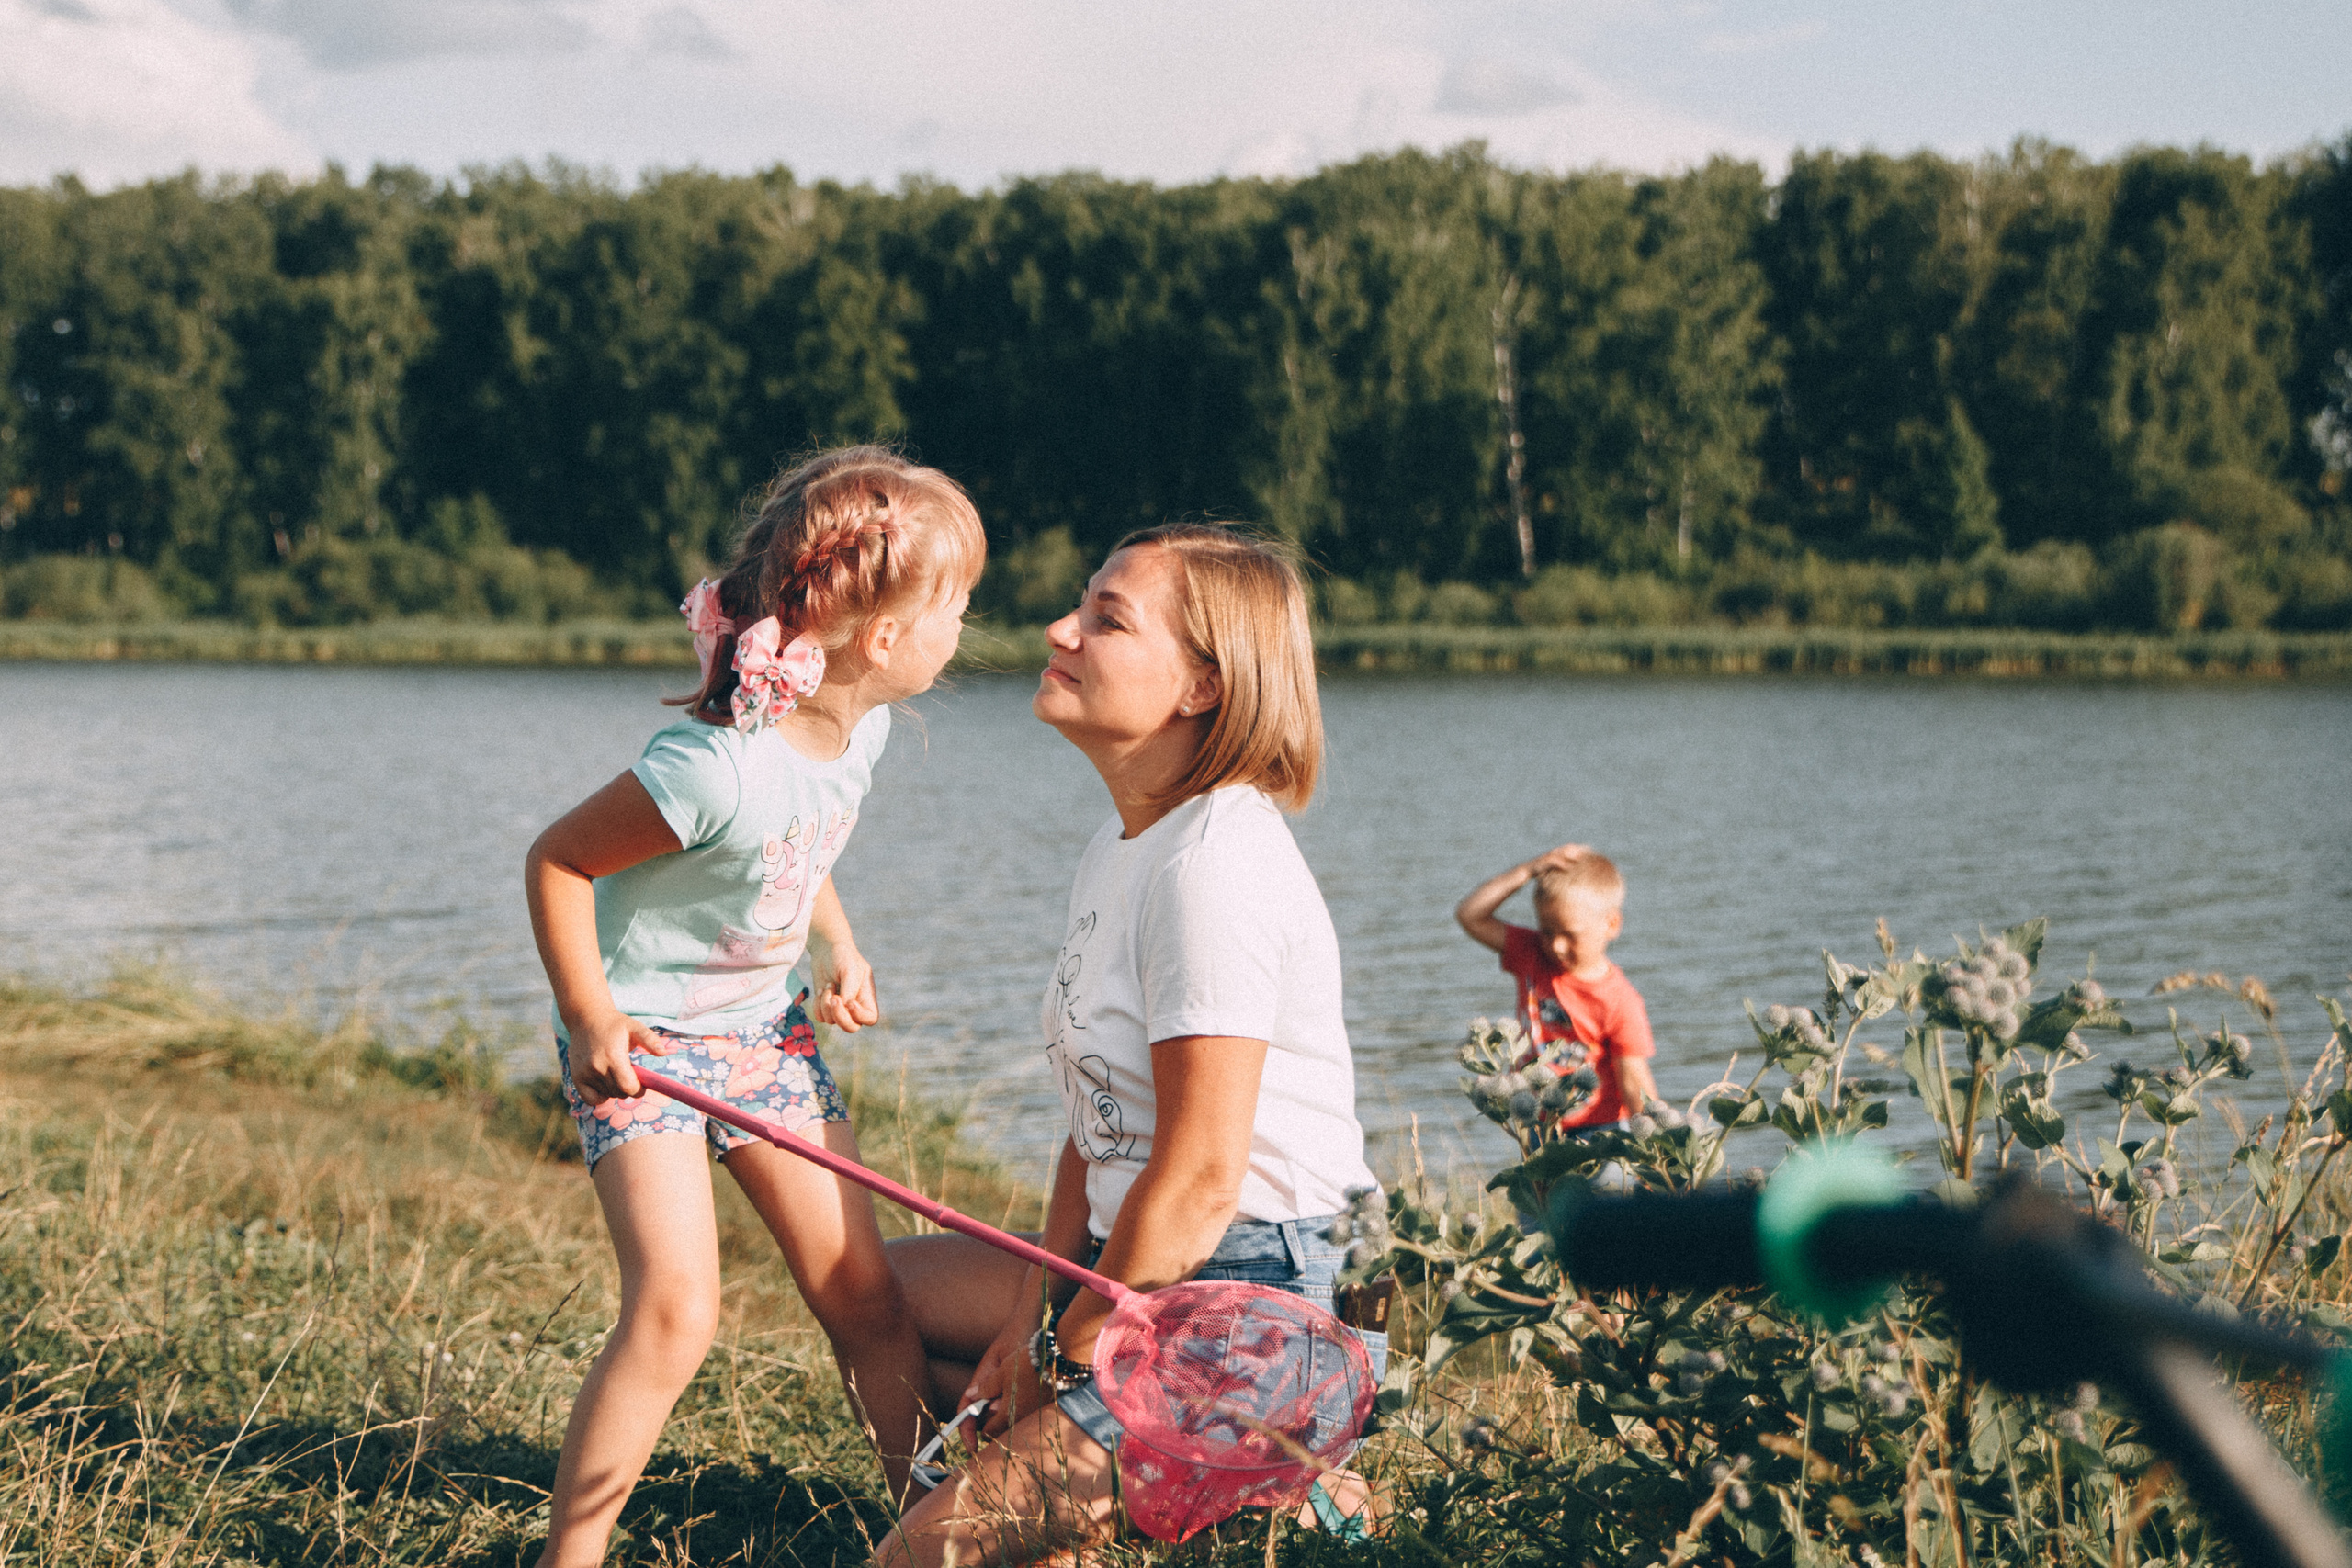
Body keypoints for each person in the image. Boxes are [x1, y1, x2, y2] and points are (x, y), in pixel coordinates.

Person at [878, 525, 1386, 1566]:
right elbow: (1097, 1130)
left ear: (1203, 684)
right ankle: (1159, 1501)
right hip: (1141, 1274)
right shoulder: (1127, 842)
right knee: (875, 1295)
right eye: (1080, 604)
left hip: (1260, 1307)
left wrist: (1046, 1364)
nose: (1059, 629)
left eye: (1106, 618)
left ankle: (1288, 1475)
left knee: (918, 1561)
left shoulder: (1214, 866)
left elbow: (1201, 1183)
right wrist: (1032, 1309)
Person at [524, 446, 984, 1566]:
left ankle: (927, 1531)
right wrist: (589, 1016)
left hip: (762, 1037)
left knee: (867, 1296)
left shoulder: (855, 728)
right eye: (957, 605)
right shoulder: (711, 767)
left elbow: (796, 845)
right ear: (882, 640)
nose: (966, 627)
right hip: (646, 1046)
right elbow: (556, 863)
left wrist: (836, 943)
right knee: (678, 1310)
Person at [1454, 844, 1659, 1129]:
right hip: (1534, 1126)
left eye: (1570, 934)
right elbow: (1470, 915)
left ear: (1611, 925)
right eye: (1547, 930)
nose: (1556, 945)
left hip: (1600, 1133)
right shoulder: (1531, 953)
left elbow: (1634, 1082)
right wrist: (1526, 871)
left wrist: (1656, 1153)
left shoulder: (1621, 1000)